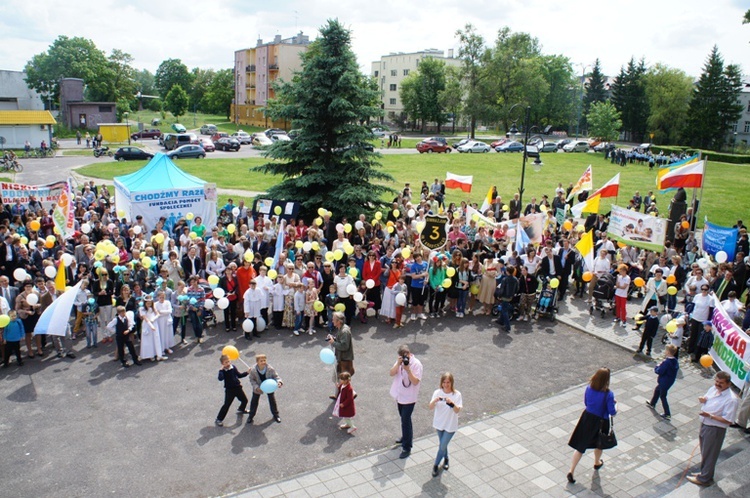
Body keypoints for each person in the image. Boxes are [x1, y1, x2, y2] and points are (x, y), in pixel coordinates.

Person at [687, 371, 739, 486]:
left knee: (710, 453)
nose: (717, 384)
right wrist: (703, 399)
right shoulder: (713, 389)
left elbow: (728, 420)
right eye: (716, 381)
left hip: (715, 429)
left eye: (721, 383)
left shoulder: (731, 399)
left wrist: (710, 416)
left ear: (728, 384)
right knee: (705, 452)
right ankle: (704, 473)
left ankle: (704, 478)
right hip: (705, 424)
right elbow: (707, 397)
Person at [567, 367, 617, 483]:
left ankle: (571, 470)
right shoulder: (608, 394)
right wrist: (616, 405)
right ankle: (596, 462)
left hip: (587, 418)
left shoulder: (589, 388)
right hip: (601, 421)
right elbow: (612, 412)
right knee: (599, 443)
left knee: (580, 446)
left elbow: (586, 402)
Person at [389, 344, 423, 459]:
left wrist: (408, 370)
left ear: (409, 354)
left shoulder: (416, 364)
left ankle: (407, 447)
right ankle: (405, 437)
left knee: (405, 420)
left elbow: (415, 382)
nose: (405, 359)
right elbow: (391, 373)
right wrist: (398, 364)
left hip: (409, 398)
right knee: (404, 419)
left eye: (406, 356)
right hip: (400, 396)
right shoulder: (400, 361)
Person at [429, 372, 462, 478]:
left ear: (452, 383)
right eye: (444, 382)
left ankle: (435, 465)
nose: (446, 384)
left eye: (448, 382)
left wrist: (452, 404)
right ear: (441, 383)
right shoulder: (437, 392)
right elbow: (430, 407)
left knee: (442, 445)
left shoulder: (456, 394)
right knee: (443, 445)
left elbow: (457, 410)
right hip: (439, 423)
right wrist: (435, 400)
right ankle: (446, 458)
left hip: (450, 426)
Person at [215, 354, 250, 427]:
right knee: (227, 405)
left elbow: (239, 375)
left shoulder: (233, 367)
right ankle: (219, 419)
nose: (227, 364)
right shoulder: (223, 371)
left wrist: (247, 372)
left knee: (245, 400)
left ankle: (241, 409)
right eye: (225, 363)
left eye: (228, 361)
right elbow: (220, 378)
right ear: (222, 364)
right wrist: (221, 370)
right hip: (230, 390)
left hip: (237, 387)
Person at [247, 353, 283, 424]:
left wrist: (279, 382)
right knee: (254, 401)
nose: (263, 362)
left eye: (264, 360)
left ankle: (276, 415)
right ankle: (251, 416)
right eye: (261, 361)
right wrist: (256, 387)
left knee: (272, 400)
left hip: (269, 386)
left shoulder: (270, 368)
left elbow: (276, 376)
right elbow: (252, 380)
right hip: (258, 388)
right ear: (257, 362)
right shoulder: (253, 370)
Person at [646, 345, 679, 420]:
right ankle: (652, 403)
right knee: (657, 390)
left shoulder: (666, 362)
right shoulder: (675, 361)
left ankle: (667, 413)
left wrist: (657, 367)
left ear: (667, 352)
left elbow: (660, 371)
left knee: (663, 396)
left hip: (664, 381)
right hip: (669, 381)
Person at [327, 311, 354, 397]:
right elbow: (341, 341)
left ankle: (351, 394)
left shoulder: (344, 331)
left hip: (345, 359)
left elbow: (344, 346)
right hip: (341, 358)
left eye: (334, 319)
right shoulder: (341, 329)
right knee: (337, 378)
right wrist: (333, 338)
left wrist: (333, 343)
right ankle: (338, 395)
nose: (332, 321)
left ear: (339, 321)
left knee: (343, 379)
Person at [139, 296, 165, 361]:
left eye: (150, 303)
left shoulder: (153, 307)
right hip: (147, 325)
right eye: (147, 303)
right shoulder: (142, 309)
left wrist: (154, 319)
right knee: (148, 340)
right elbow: (146, 319)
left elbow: (158, 314)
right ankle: (149, 355)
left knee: (156, 339)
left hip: (154, 323)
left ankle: (157, 354)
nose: (149, 304)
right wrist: (151, 325)